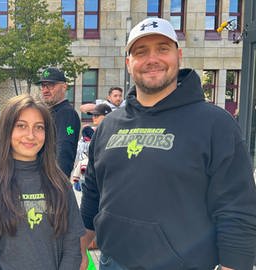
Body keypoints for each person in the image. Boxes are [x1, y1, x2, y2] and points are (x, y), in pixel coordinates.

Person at [80, 17, 256, 270]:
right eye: (141, 52)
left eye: (163, 49)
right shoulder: (109, 125)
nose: (152, 59)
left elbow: (237, 209)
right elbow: (93, 194)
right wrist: (81, 248)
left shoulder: (215, 124)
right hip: (113, 261)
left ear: (178, 55)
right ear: (129, 63)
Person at [0, 94, 85, 269]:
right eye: (21, 126)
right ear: (6, 129)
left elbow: (72, 248)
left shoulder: (60, 183)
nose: (31, 135)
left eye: (39, 127)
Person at [39, 67, 81, 177]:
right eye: (43, 86)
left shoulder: (66, 113)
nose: (45, 90)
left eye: (51, 85)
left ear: (64, 87)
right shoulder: (51, 112)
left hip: (52, 182)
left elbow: (64, 150)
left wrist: (58, 184)